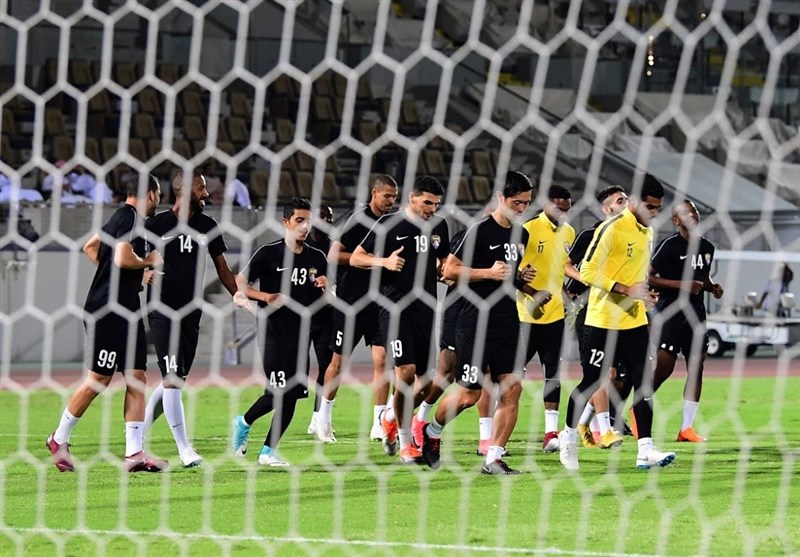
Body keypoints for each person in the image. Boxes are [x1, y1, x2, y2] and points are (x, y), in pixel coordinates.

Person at [46, 174, 166, 472]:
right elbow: (122, 258)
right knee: (99, 380)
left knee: (136, 378)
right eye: (159, 194)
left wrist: (124, 276)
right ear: (150, 193)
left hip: (126, 309)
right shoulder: (130, 217)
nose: (159, 200)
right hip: (108, 311)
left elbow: (91, 247)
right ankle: (58, 439)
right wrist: (148, 262)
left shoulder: (120, 218)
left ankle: (134, 454)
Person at [420, 171, 535, 475]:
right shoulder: (479, 231)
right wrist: (488, 273)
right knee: (469, 395)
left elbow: (506, 276)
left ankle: (493, 458)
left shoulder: (522, 236)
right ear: (500, 197)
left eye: (526, 203)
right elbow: (449, 271)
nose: (522, 208)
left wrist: (521, 280)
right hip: (474, 322)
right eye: (517, 202)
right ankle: (431, 431)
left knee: (512, 389)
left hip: (507, 320)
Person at [558, 174, 675, 471]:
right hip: (602, 320)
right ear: (634, 202)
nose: (654, 213)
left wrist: (644, 294)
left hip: (633, 320)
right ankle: (567, 438)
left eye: (658, 208)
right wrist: (624, 289)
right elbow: (587, 271)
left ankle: (645, 450)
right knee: (592, 382)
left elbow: (637, 275)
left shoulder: (647, 232)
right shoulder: (611, 228)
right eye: (650, 206)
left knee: (643, 383)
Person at [142, 169, 241, 467]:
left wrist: (240, 295)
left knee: (173, 380)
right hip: (162, 311)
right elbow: (131, 259)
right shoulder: (155, 225)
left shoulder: (208, 226)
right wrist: (143, 272)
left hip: (191, 313)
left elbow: (223, 269)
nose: (206, 193)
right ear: (183, 191)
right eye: (201, 188)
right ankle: (185, 450)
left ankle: (136, 435)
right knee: (172, 379)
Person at [350, 175, 449, 463]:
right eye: (427, 202)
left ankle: (390, 417)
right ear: (412, 198)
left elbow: (444, 260)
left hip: (425, 309)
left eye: (436, 204)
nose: (432, 209)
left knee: (427, 382)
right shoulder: (388, 224)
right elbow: (356, 257)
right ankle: (406, 445)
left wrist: (444, 271)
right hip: (393, 308)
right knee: (405, 373)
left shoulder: (438, 226)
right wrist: (384, 261)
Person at [230, 197, 329, 466]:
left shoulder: (317, 257)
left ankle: (267, 452)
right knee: (279, 392)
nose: (305, 226)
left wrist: (326, 286)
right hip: (272, 333)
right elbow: (240, 283)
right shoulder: (268, 253)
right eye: (299, 220)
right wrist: (266, 296)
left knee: (293, 395)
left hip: (301, 335)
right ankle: (243, 421)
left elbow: (326, 296)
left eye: (308, 221)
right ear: (286, 222)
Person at [314, 176, 398, 443]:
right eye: (387, 196)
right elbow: (334, 256)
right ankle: (323, 418)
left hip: (379, 302)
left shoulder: (392, 223)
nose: (390, 201)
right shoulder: (357, 220)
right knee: (338, 362)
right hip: (351, 303)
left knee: (383, 361)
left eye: (394, 197)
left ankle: (378, 423)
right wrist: (366, 260)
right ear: (374, 193)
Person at [649, 200, 724, 442]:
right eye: (685, 212)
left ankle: (686, 429)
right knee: (664, 369)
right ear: (676, 220)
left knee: (696, 369)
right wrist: (682, 285)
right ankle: (639, 409)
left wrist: (712, 287)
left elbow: (702, 277)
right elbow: (648, 278)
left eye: (695, 211)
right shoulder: (669, 246)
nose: (692, 215)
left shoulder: (707, 247)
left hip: (696, 317)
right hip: (670, 315)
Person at [564, 185, 631, 448]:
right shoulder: (590, 235)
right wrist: (586, 279)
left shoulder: (631, 236)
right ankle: (605, 431)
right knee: (599, 373)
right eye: (620, 201)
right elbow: (566, 265)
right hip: (588, 311)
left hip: (618, 313)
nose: (625, 204)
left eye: (626, 199)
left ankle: (584, 422)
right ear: (606, 209)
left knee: (615, 376)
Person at [516, 185, 574, 453]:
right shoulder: (526, 230)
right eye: (559, 208)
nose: (563, 213)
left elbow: (559, 271)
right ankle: (493, 431)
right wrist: (530, 290)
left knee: (553, 373)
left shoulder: (569, 232)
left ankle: (551, 433)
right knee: (511, 375)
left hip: (555, 316)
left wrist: (566, 297)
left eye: (567, 209)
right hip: (524, 315)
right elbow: (512, 273)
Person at [303, 205, 335, 437]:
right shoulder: (300, 246)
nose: (326, 221)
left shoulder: (335, 247)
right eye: (322, 217)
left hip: (326, 317)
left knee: (327, 367)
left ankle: (318, 417)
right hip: (300, 317)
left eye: (329, 217)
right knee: (296, 370)